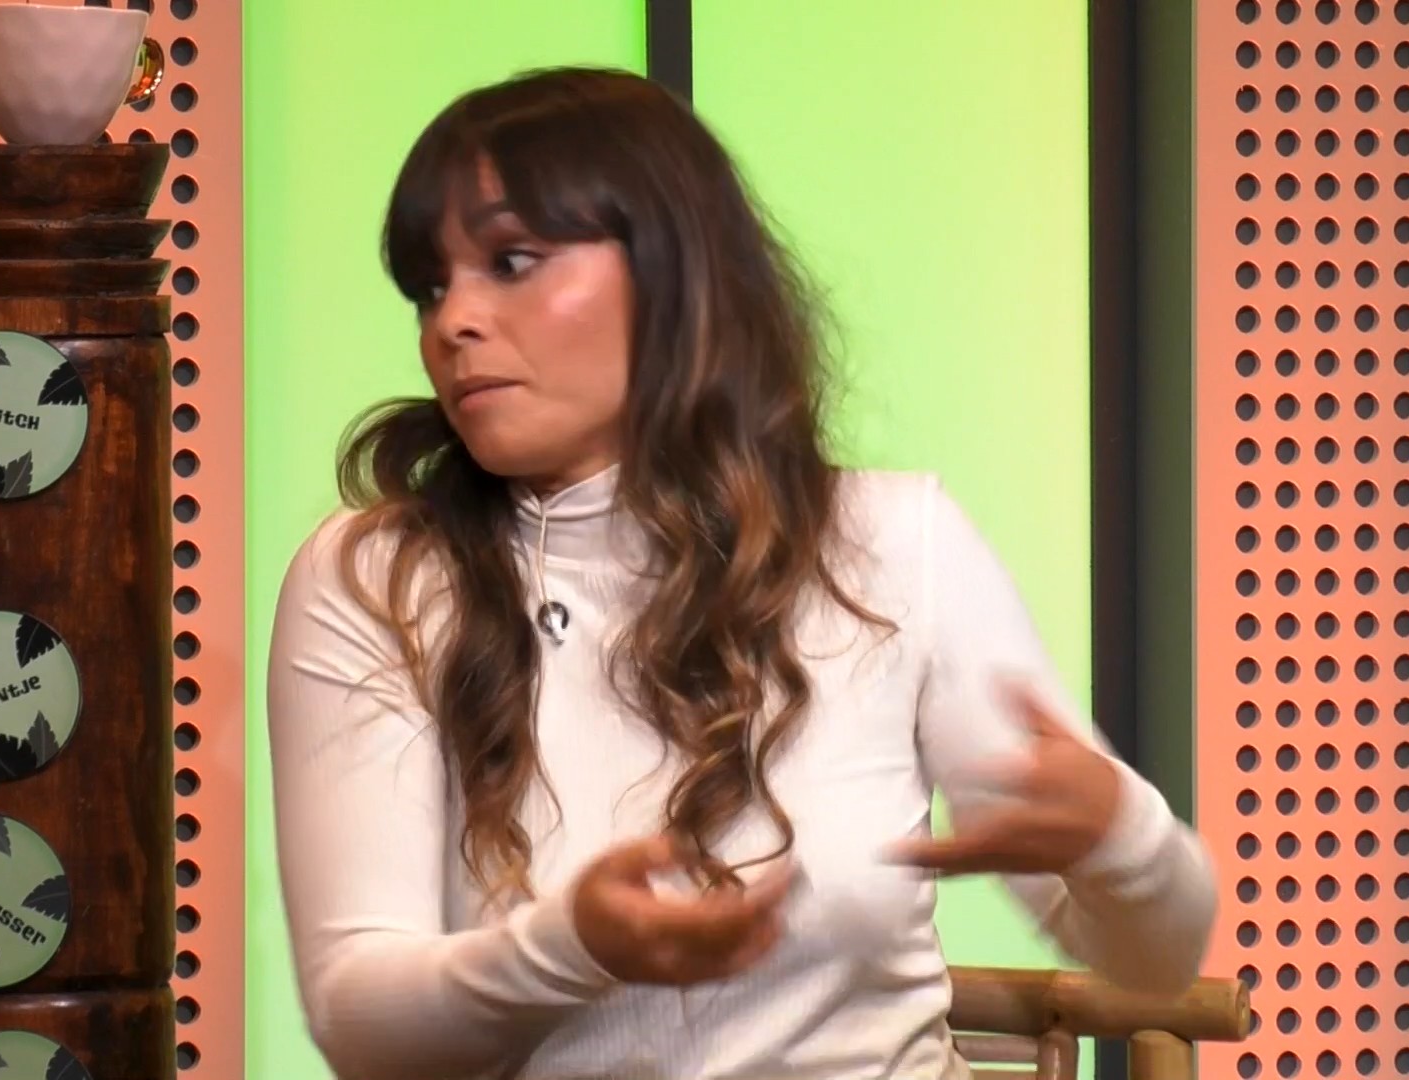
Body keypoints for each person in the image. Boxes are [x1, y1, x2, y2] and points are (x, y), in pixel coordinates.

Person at [266, 65, 1218, 1080]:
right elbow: (361, 1025)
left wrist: (1118, 835)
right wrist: (574, 946)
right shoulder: (376, 580)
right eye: (430, 285)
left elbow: (1157, 960)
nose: (451, 320)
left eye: (511, 260)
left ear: (673, 275)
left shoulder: (889, 540)